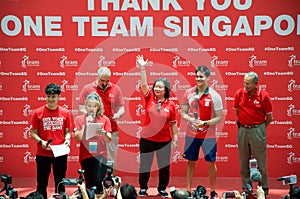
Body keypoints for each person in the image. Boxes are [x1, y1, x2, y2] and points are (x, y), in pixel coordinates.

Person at [136, 55, 179, 198]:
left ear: (166, 89)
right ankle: (143, 187)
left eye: (160, 87)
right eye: (156, 86)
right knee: (145, 165)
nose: (157, 89)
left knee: (164, 167)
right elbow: (143, 85)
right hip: (147, 139)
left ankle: (162, 188)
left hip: (164, 141)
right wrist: (143, 68)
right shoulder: (149, 98)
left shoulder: (171, 105)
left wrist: (176, 138)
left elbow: (173, 123)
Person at [181, 66, 223, 199]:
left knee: (211, 163)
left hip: (208, 135)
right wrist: (190, 120)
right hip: (191, 134)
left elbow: (219, 117)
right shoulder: (188, 93)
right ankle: (188, 190)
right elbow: (183, 113)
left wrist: (205, 123)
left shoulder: (215, 96)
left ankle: (212, 191)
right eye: (197, 76)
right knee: (190, 162)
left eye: (201, 77)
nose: (198, 79)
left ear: (208, 78)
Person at [79, 67, 125, 174]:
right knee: (94, 158)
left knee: (111, 159)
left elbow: (122, 108)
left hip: (110, 130)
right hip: (92, 131)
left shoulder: (116, 89)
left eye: (107, 81)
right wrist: (90, 116)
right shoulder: (87, 89)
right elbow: (81, 107)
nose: (104, 83)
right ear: (97, 77)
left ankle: (113, 185)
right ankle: (96, 184)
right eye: (102, 80)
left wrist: (118, 115)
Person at [233, 71, 273, 195]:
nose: (245, 86)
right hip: (243, 130)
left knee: (261, 163)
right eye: (244, 83)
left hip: (258, 129)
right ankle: (246, 190)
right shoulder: (239, 93)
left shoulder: (263, 95)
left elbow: (269, 117)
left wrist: (258, 127)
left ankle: (263, 190)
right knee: (243, 162)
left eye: (248, 84)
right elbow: (237, 111)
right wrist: (244, 124)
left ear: (256, 84)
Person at [30, 83, 72, 199]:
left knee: (60, 183)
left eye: (53, 96)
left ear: (59, 97)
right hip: (43, 153)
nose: (50, 99)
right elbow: (33, 133)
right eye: (48, 96)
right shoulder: (37, 113)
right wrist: (41, 142)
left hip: (60, 153)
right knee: (42, 184)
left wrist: (67, 139)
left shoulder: (66, 113)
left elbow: (67, 132)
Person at [74, 92, 112, 194]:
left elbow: (109, 139)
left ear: (98, 107)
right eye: (89, 106)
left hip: (100, 154)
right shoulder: (79, 119)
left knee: (99, 182)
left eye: (94, 106)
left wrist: (103, 133)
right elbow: (78, 138)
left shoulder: (104, 119)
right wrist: (86, 124)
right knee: (90, 184)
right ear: (86, 106)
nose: (92, 108)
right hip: (86, 155)